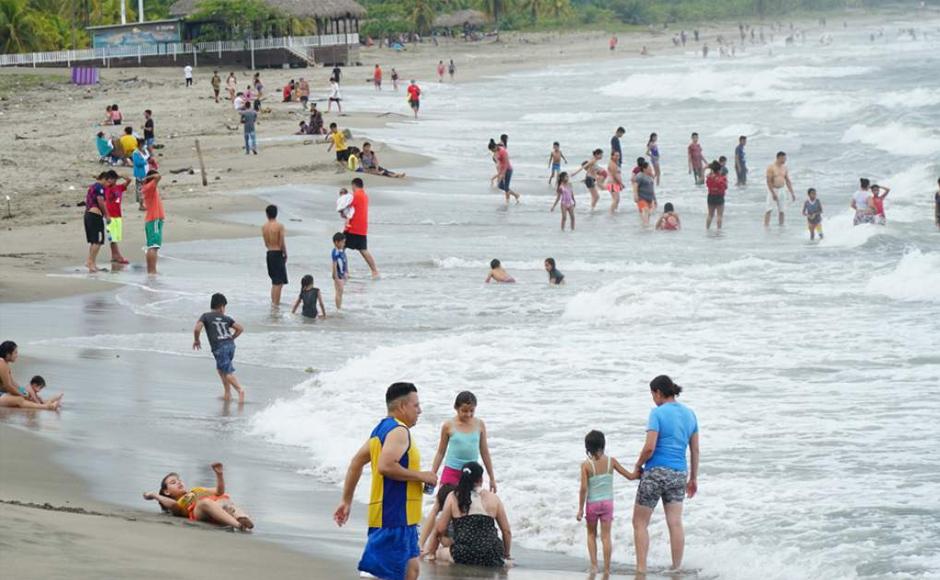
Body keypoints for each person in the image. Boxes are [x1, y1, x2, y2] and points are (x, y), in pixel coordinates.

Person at [334, 383, 437, 580]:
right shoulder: (399, 431)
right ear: (402, 407)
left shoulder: (380, 430)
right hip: (394, 516)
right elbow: (386, 466)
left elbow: (356, 463)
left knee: (411, 571)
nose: (420, 410)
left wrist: (346, 501)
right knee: (387, 575)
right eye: (416, 405)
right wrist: (422, 476)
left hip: (398, 517)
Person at [632, 375, 699, 574]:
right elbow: (695, 450)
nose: (653, 399)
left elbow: (649, 448)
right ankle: (676, 568)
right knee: (675, 522)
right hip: (679, 473)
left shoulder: (657, 413)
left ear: (658, 392)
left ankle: (641, 569)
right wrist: (693, 478)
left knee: (639, 522)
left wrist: (638, 465)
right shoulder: (690, 414)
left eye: (652, 395)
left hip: (656, 472)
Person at [577, 430, 638, 574]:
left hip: (592, 504)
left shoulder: (586, 465)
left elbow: (584, 488)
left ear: (588, 447)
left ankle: (594, 566)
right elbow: (629, 476)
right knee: (606, 536)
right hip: (608, 504)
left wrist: (580, 509)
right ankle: (607, 569)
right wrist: (638, 473)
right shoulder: (612, 461)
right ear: (603, 444)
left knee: (591, 534)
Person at [435, 462, 512, 568]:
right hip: (493, 553)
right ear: (480, 479)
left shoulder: (453, 496)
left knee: (439, 553)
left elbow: (440, 529)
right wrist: (506, 555)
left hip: (464, 553)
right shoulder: (494, 498)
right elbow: (506, 531)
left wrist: (446, 542)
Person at [143, 462, 253, 530]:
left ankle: (242, 518)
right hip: (199, 511)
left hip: (219, 509)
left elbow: (219, 491)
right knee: (205, 502)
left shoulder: (196, 490)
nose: (179, 482)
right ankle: (238, 525)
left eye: (179, 480)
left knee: (225, 499)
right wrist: (154, 495)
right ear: (167, 492)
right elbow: (172, 505)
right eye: (173, 482)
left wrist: (219, 475)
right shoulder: (179, 504)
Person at [430, 391, 497, 492]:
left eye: (472, 411)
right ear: (456, 408)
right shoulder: (448, 425)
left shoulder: (479, 424)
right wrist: (432, 474)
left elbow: (485, 453)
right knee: (444, 503)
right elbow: (440, 452)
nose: (468, 414)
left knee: (471, 506)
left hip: (472, 473)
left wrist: (492, 478)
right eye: (464, 411)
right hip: (452, 471)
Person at [193, 293, 245, 402]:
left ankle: (240, 390)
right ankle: (227, 393)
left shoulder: (205, 316)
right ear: (222, 307)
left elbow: (197, 329)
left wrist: (197, 340)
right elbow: (240, 328)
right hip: (230, 346)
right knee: (221, 369)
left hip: (219, 347)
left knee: (226, 372)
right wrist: (231, 338)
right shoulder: (226, 318)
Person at [0, 342, 63, 410]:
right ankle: (46, 406)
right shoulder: (2, 364)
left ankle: (46, 402)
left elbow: (12, 382)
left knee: (25, 394)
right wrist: (21, 394)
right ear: (8, 354)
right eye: (15, 353)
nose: (17, 355)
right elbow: (8, 386)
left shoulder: (4, 363)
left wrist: (23, 391)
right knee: (19, 399)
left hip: (2, 393)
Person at [345, 178, 380, 278]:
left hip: (353, 227)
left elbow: (347, 208)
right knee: (363, 250)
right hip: (362, 228)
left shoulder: (355, 196)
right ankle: (375, 271)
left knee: (340, 249)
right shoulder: (365, 196)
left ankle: (345, 272)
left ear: (354, 185)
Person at [262, 204, 288, 305]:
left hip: (269, 252)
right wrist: (285, 253)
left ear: (267, 214)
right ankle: (276, 304)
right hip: (277, 252)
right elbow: (281, 241)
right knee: (279, 282)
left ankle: (274, 303)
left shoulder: (264, 227)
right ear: (276, 214)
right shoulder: (279, 226)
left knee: (274, 281)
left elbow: (265, 243)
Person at [139, 170, 164, 275]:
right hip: (154, 218)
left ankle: (151, 270)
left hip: (151, 218)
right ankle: (152, 270)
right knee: (154, 246)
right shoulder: (150, 186)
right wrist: (149, 177)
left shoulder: (145, 187)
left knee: (151, 246)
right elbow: (159, 176)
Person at [84, 172, 109, 273]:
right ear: (104, 179)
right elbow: (100, 201)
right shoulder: (99, 187)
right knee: (98, 241)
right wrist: (107, 214)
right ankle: (90, 262)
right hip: (95, 215)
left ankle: (92, 262)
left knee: (94, 241)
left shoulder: (93, 186)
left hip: (88, 215)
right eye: (108, 182)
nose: (108, 185)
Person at [104, 170, 131, 264]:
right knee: (112, 237)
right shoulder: (105, 188)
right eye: (111, 179)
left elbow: (129, 180)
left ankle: (114, 255)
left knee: (115, 237)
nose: (113, 181)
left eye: (114, 179)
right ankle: (118, 256)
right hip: (109, 216)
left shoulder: (119, 188)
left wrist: (120, 176)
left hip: (117, 215)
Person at [764, 151, 795, 226]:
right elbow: (768, 181)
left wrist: (792, 192)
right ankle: (766, 226)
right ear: (779, 158)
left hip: (782, 189)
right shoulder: (771, 167)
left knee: (782, 210)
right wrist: (773, 193)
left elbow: (787, 180)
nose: (785, 160)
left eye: (785, 158)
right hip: (773, 189)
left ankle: (781, 226)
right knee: (769, 209)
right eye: (784, 158)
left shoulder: (784, 168)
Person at [493, 139, 519, 204]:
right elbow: (499, 163)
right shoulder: (497, 152)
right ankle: (515, 195)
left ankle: (508, 201)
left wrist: (503, 173)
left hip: (508, 170)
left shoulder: (502, 151)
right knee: (501, 186)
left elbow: (506, 163)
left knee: (506, 187)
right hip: (503, 170)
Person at [633, 159, 657, 226]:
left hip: (649, 199)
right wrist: (635, 195)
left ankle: (644, 226)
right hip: (641, 198)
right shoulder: (640, 176)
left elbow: (652, 189)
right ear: (644, 169)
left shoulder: (650, 177)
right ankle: (646, 226)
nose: (651, 169)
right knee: (645, 210)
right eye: (649, 168)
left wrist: (654, 199)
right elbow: (635, 185)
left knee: (648, 213)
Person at [705, 160, 727, 230]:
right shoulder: (722, 178)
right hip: (719, 197)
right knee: (719, 216)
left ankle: (707, 229)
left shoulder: (709, 177)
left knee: (710, 215)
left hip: (711, 196)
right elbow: (725, 187)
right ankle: (719, 230)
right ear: (719, 170)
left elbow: (707, 185)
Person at [331, 232, 349, 309]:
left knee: (341, 291)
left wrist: (347, 271)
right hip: (338, 274)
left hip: (342, 273)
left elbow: (345, 261)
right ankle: (338, 308)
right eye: (342, 242)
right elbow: (334, 264)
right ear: (336, 242)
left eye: (344, 242)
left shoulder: (342, 251)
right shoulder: (335, 252)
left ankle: (339, 306)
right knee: (339, 291)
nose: (344, 244)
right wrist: (336, 277)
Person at [132, 138, 149, 211]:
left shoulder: (144, 151)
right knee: (141, 189)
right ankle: (141, 205)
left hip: (146, 172)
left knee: (145, 189)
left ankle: (144, 204)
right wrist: (145, 162)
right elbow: (137, 163)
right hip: (140, 174)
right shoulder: (135, 153)